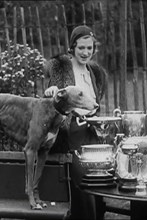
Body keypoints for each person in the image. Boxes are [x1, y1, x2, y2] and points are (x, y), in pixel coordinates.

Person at [44, 25, 108, 220]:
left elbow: (94, 105)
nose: (85, 52)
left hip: (90, 133)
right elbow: (53, 100)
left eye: (89, 48)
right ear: (72, 47)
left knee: (101, 178)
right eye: (81, 48)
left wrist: (98, 121)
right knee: (82, 180)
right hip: (69, 135)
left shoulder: (95, 72)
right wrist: (52, 91)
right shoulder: (61, 67)